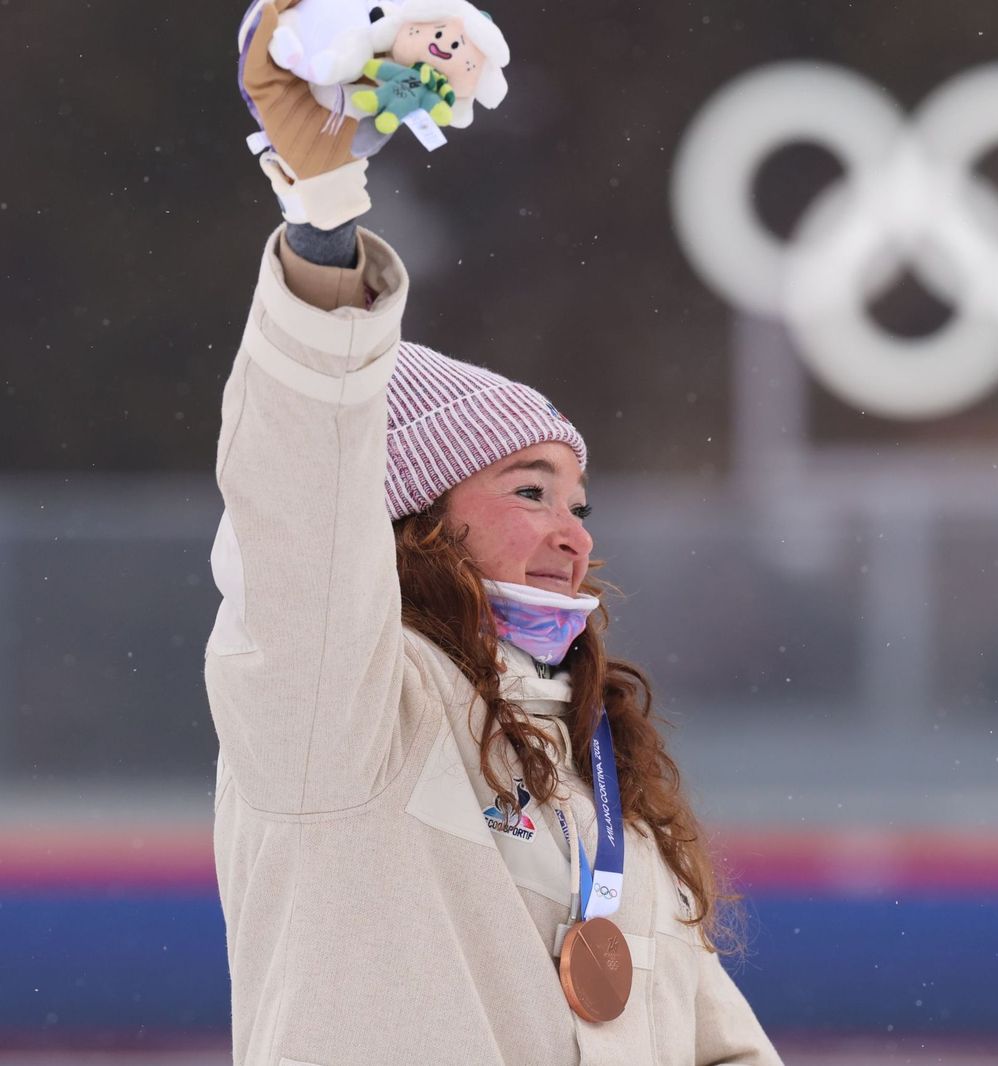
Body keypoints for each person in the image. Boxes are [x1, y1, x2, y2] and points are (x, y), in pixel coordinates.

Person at [207, 4, 783, 1062]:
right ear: (413, 514)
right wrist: (324, 227)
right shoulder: (341, 715)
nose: (573, 536)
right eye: (529, 491)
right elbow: (302, 507)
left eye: (579, 504)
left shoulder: (596, 774)